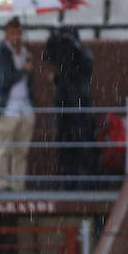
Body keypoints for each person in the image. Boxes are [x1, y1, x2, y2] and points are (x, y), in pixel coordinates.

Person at [0, 17, 36, 192]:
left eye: (18, 33)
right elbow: (5, 79)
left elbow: (30, 81)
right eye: (12, 33)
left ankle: (17, 183)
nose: (16, 37)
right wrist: (23, 71)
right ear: (7, 34)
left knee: (21, 150)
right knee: (3, 148)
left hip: (24, 106)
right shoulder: (1, 54)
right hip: (8, 107)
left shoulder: (26, 53)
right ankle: (2, 182)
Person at [43, 25, 95, 187]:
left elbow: (80, 75)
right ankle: (68, 182)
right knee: (66, 149)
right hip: (65, 110)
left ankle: (87, 182)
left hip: (80, 110)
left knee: (83, 147)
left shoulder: (83, 54)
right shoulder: (64, 56)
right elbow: (51, 58)